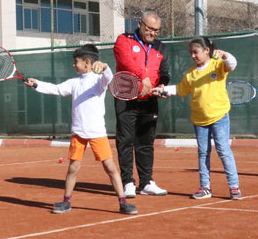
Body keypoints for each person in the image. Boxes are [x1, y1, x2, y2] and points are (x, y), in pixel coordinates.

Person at [24, 44, 138, 215]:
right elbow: (55, 89)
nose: (73, 65)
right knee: (73, 168)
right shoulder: (73, 83)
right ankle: (66, 201)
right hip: (78, 134)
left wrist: (105, 67)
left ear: (86, 63)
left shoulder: (99, 82)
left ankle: (123, 202)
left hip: (97, 134)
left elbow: (108, 78)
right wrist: (36, 84)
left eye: (75, 62)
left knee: (111, 168)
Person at [154, 37, 242, 200]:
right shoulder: (190, 73)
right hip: (199, 120)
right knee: (203, 152)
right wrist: (163, 90)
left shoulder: (218, 66)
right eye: (191, 53)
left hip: (219, 117)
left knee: (223, 150)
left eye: (196, 52)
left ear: (206, 51)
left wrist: (224, 55)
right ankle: (205, 187)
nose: (193, 56)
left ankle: (234, 187)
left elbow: (232, 64)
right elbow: (181, 89)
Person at [113, 11, 169, 198]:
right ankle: (128, 182)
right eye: (150, 29)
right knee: (126, 141)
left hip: (149, 102)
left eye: (157, 31)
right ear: (139, 24)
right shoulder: (124, 39)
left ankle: (146, 182)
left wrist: (162, 84)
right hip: (126, 99)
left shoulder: (160, 46)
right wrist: (143, 77)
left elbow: (164, 71)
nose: (153, 33)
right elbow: (126, 62)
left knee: (146, 142)